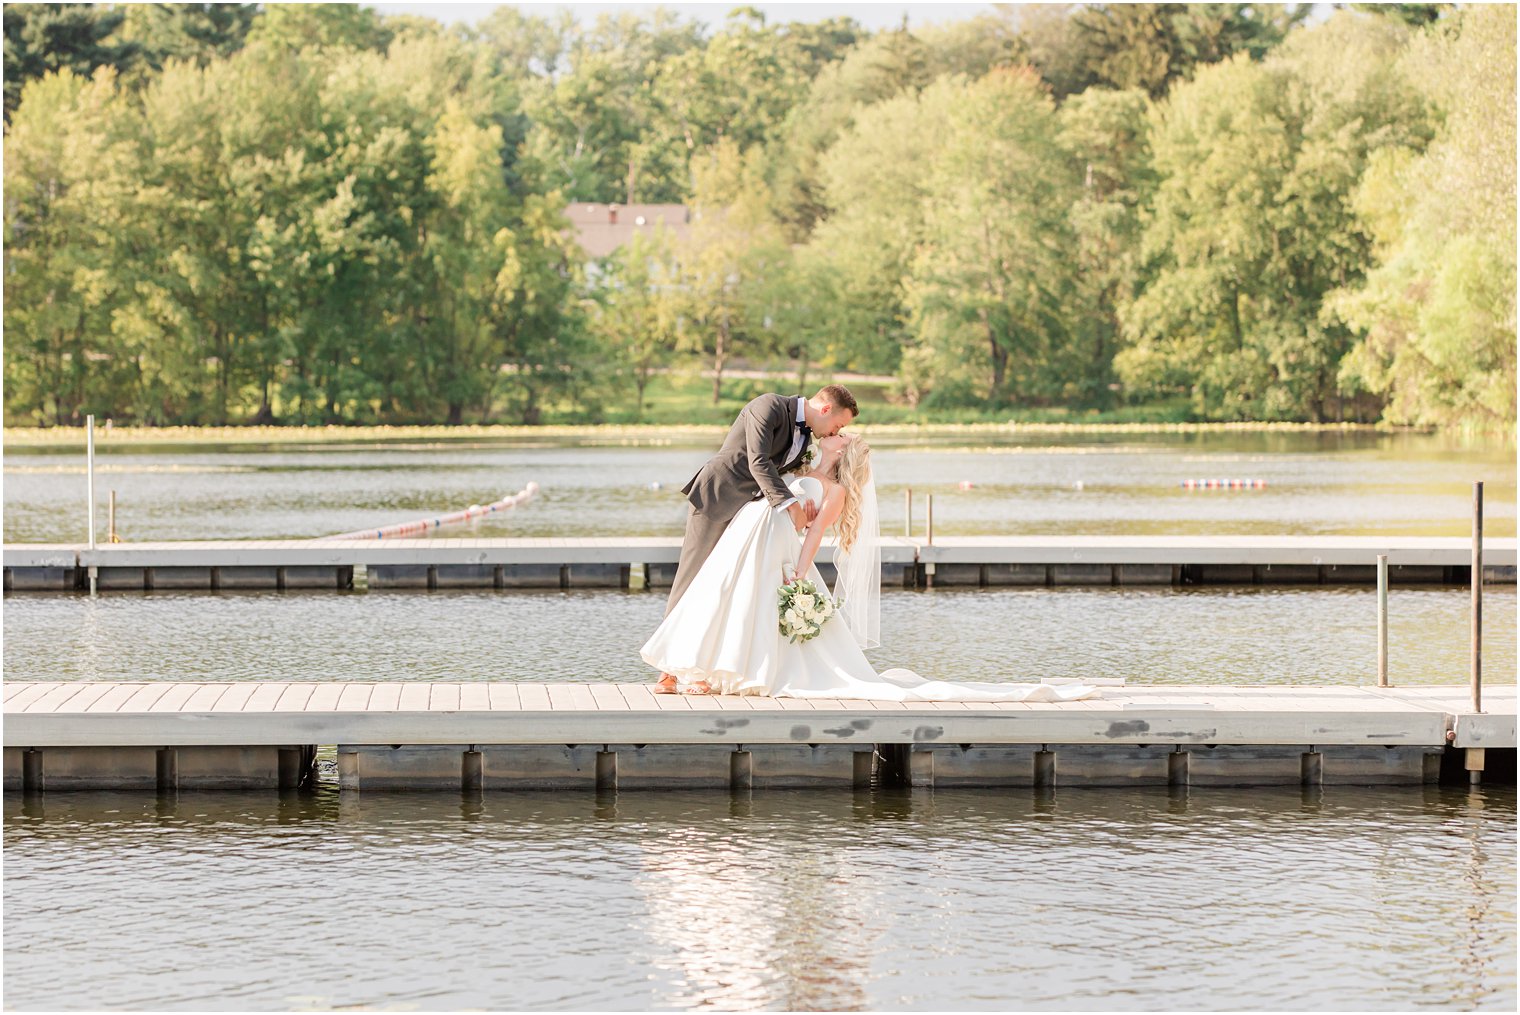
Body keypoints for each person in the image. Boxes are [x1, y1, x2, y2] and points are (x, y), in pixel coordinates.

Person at [642, 432, 1100, 703]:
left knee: (751, 605)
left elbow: (815, 534)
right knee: (721, 595)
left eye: (841, 435)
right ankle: (691, 668)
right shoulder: (800, 462)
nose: (834, 433)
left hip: (777, 544)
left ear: (843, 452)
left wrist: (799, 574)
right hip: (750, 529)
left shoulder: (836, 492)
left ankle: (732, 671)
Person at [653, 385, 858, 694]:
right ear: (826, 409)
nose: (835, 432)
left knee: (726, 587)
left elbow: (788, 474)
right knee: (692, 579)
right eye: (838, 425)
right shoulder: (769, 406)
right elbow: (758, 462)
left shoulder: (805, 438)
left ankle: (705, 666)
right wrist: (790, 504)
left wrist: (807, 502)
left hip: (753, 513)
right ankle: (667, 671)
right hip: (719, 497)